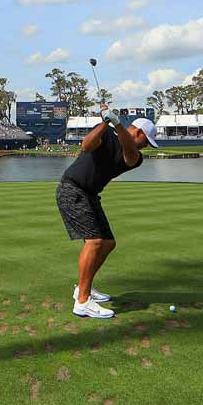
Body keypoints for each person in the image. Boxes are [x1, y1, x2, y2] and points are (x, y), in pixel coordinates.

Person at [55, 105, 158, 319]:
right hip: (72, 189)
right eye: (145, 141)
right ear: (138, 132)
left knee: (108, 243)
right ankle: (82, 301)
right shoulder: (107, 133)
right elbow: (86, 145)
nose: (145, 147)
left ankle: (84, 287)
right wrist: (105, 122)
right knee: (94, 242)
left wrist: (117, 124)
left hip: (90, 195)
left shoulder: (136, 156)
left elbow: (128, 152)